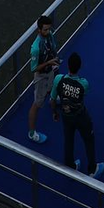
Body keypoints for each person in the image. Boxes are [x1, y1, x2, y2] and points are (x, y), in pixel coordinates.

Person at [50, 52, 104, 178]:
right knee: (89, 140)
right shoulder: (84, 83)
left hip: (65, 116)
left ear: (68, 66)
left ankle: (70, 166)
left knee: (68, 140)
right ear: (79, 67)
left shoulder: (59, 79)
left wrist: (54, 113)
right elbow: (83, 95)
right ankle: (92, 169)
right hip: (80, 116)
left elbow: (52, 99)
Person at [27, 15, 59, 143]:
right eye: (45, 30)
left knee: (51, 88)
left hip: (51, 70)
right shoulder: (35, 48)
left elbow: (53, 48)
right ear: (39, 30)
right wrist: (49, 62)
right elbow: (33, 68)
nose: (48, 32)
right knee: (37, 104)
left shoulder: (50, 35)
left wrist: (54, 61)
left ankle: (53, 97)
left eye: (49, 29)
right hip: (41, 76)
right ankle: (32, 132)